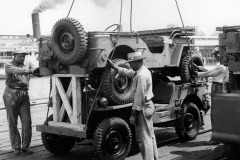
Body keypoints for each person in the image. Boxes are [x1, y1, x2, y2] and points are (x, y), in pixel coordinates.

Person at [108, 52, 158, 160]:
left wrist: (133, 114)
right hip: (147, 105)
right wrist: (115, 67)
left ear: (137, 62)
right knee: (149, 136)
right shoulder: (142, 71)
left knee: (144, 138)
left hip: (143, 107)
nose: (130, 65)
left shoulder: (141, 76)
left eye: (131, 63)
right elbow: (128, 73)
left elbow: (139, 97)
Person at [2, 48, 39, 155]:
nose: (23, 58)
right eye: (20, 56)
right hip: (11, 94)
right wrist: (32, 70)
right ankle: (16, 147)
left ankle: (26, 146)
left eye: (24, 56)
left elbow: (38, 72)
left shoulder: (28, 64)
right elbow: (18, 71)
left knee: (27, 122)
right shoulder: (8, 65)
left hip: (24, 94)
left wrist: (42, 70)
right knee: (12, 122)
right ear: (14, 56)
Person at [193, 47, 229, 145]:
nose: (216, 57)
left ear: (220, 54)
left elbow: (209, 73)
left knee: (215, 114)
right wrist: (199, 67)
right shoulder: (224, 66)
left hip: (218, 89)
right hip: (221, 89)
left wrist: (197, 73)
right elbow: (211, 71)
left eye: (216, 55)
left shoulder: (221, 67)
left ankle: (216, 139)